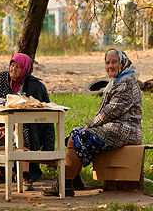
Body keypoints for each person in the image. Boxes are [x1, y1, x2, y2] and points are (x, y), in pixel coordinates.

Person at [43, 48, 143, 197]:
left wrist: (89, 125)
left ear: (122, 62)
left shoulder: (126, 82)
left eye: (114, 62)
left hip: (125, 130)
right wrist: (88, 126)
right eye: (107, 62)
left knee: (79, 137)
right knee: (75, 134)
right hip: (116, 127)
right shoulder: (120, 80)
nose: (110, 66)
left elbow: (109, 112)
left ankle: (64, 184)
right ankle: (74, 180)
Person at [0, 53, 56, 192]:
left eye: (18, 66)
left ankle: (24, 176)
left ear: (25, 70)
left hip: (18, 124)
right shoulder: (2, 78)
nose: (13, 69)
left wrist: (11, 127)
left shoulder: (32, 86)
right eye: (12, 65)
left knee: (21, 139)